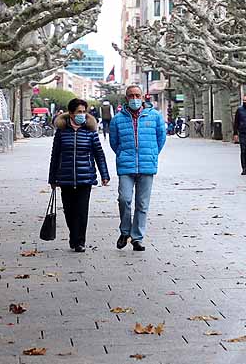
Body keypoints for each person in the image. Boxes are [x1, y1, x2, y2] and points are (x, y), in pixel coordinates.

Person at [109, 84, 166, 252]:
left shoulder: (154, 116)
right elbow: (114, 142)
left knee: (142, 204)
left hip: (147, 165)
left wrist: (152, 154)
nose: (134, 98)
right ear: (126, 98)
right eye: (131, 95)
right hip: (126, 165)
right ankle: (125, 231)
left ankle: (137, 238)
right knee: (124, 199)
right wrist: (121, 153)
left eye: (137, 95)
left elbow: (161, 138)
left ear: (142, 97)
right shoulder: (117, 119)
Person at [48, 98, 110, 252]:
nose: (82, 115)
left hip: (85, 178)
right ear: (71, 113)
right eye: (78, 112)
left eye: (84, 112)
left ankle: (79, 241)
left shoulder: (90, 132)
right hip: (65, 178)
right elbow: (55, 156)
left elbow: (99, 154)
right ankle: (73, 236)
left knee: (82, 211)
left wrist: (104, 174)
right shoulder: (61, 133)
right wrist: (52, 178)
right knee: (69, 211)